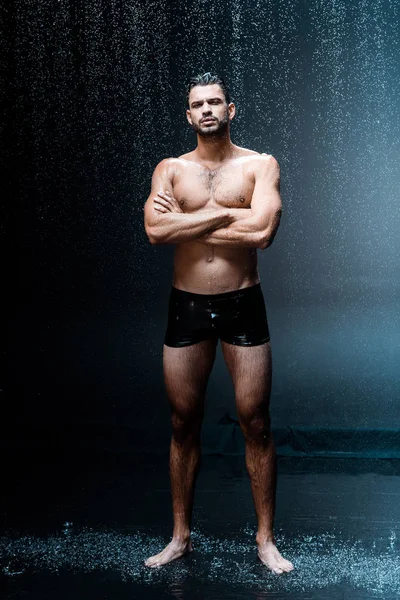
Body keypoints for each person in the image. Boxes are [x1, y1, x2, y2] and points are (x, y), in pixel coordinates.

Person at [143, 72, 294, 575]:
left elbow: (264, 232)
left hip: (241, 302)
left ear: (232, 109)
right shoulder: (169, 169)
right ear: (188, 116)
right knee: (183, 422)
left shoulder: (260, 165)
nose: (207, 109)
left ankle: (266, 540)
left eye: (215, 102)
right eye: (197, 104)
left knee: (256, 422)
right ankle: (180, 537)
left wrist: (187, 223)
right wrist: (226, 218)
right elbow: (153, 230)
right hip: (186, 304)